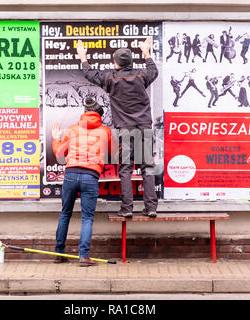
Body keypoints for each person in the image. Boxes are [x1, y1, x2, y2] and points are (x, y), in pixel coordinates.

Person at [76, 37, 159, 218]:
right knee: (148, 168)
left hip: (125, 130)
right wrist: (146, 52)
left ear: (116, 63)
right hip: (144, 127)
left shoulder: (111, 79)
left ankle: (127, 209)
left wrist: (83, 57)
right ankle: (151, 208)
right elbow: (153, 70)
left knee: (126, 169)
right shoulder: (141, 76)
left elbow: (89, 73)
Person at [51, 97, 115, 266]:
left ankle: (59, 253)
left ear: (84, 113)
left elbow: (59, 154)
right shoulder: (105, 131)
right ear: (100, 115)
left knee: (65, 213)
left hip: (71, 174)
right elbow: (114, 154)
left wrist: (56, 139)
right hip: (90, 175)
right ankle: (83, 256)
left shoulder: (72, 130)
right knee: (87, 218)